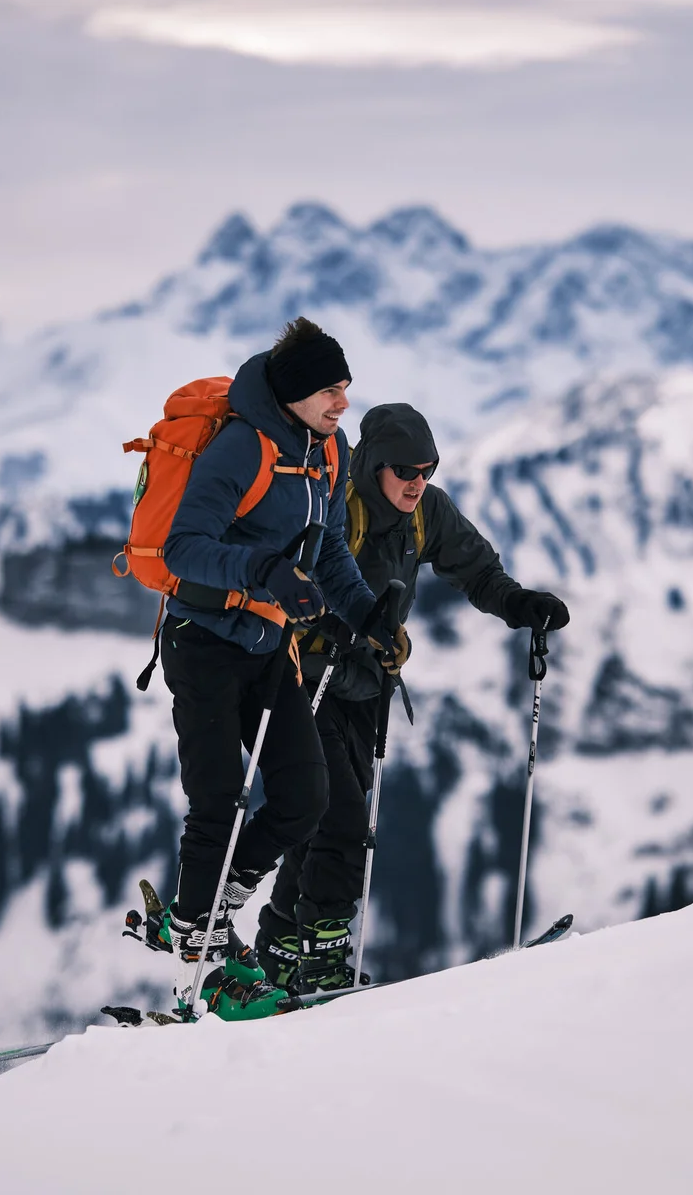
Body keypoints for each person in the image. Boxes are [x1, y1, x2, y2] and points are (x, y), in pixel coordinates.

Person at [254, 402, 570, 994]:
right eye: (404, 471)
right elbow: (280, 584)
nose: (416, 482)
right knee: (343, 821)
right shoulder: (330, 505)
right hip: (302, 680)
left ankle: (278, 952)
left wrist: (520, 605)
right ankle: (322, 962)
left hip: (364, 687)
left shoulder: (426, 513)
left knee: (320, 821)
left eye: (427, 470)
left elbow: (477, 571)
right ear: (373, 464)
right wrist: (334, 624)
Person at [156, 317, 393, 1017]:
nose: (343, 402)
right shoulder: (241, 447)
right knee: (217, 801)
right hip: (203, 643)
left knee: (304, 798)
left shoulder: (328, 451)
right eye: (330, 390)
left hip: (268, 647)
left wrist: (366, 615)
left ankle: (206, 908)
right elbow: (182, 548)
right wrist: (263, 570)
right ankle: (200, 967)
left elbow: (328, 550)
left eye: (346, 387)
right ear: (293, 393)